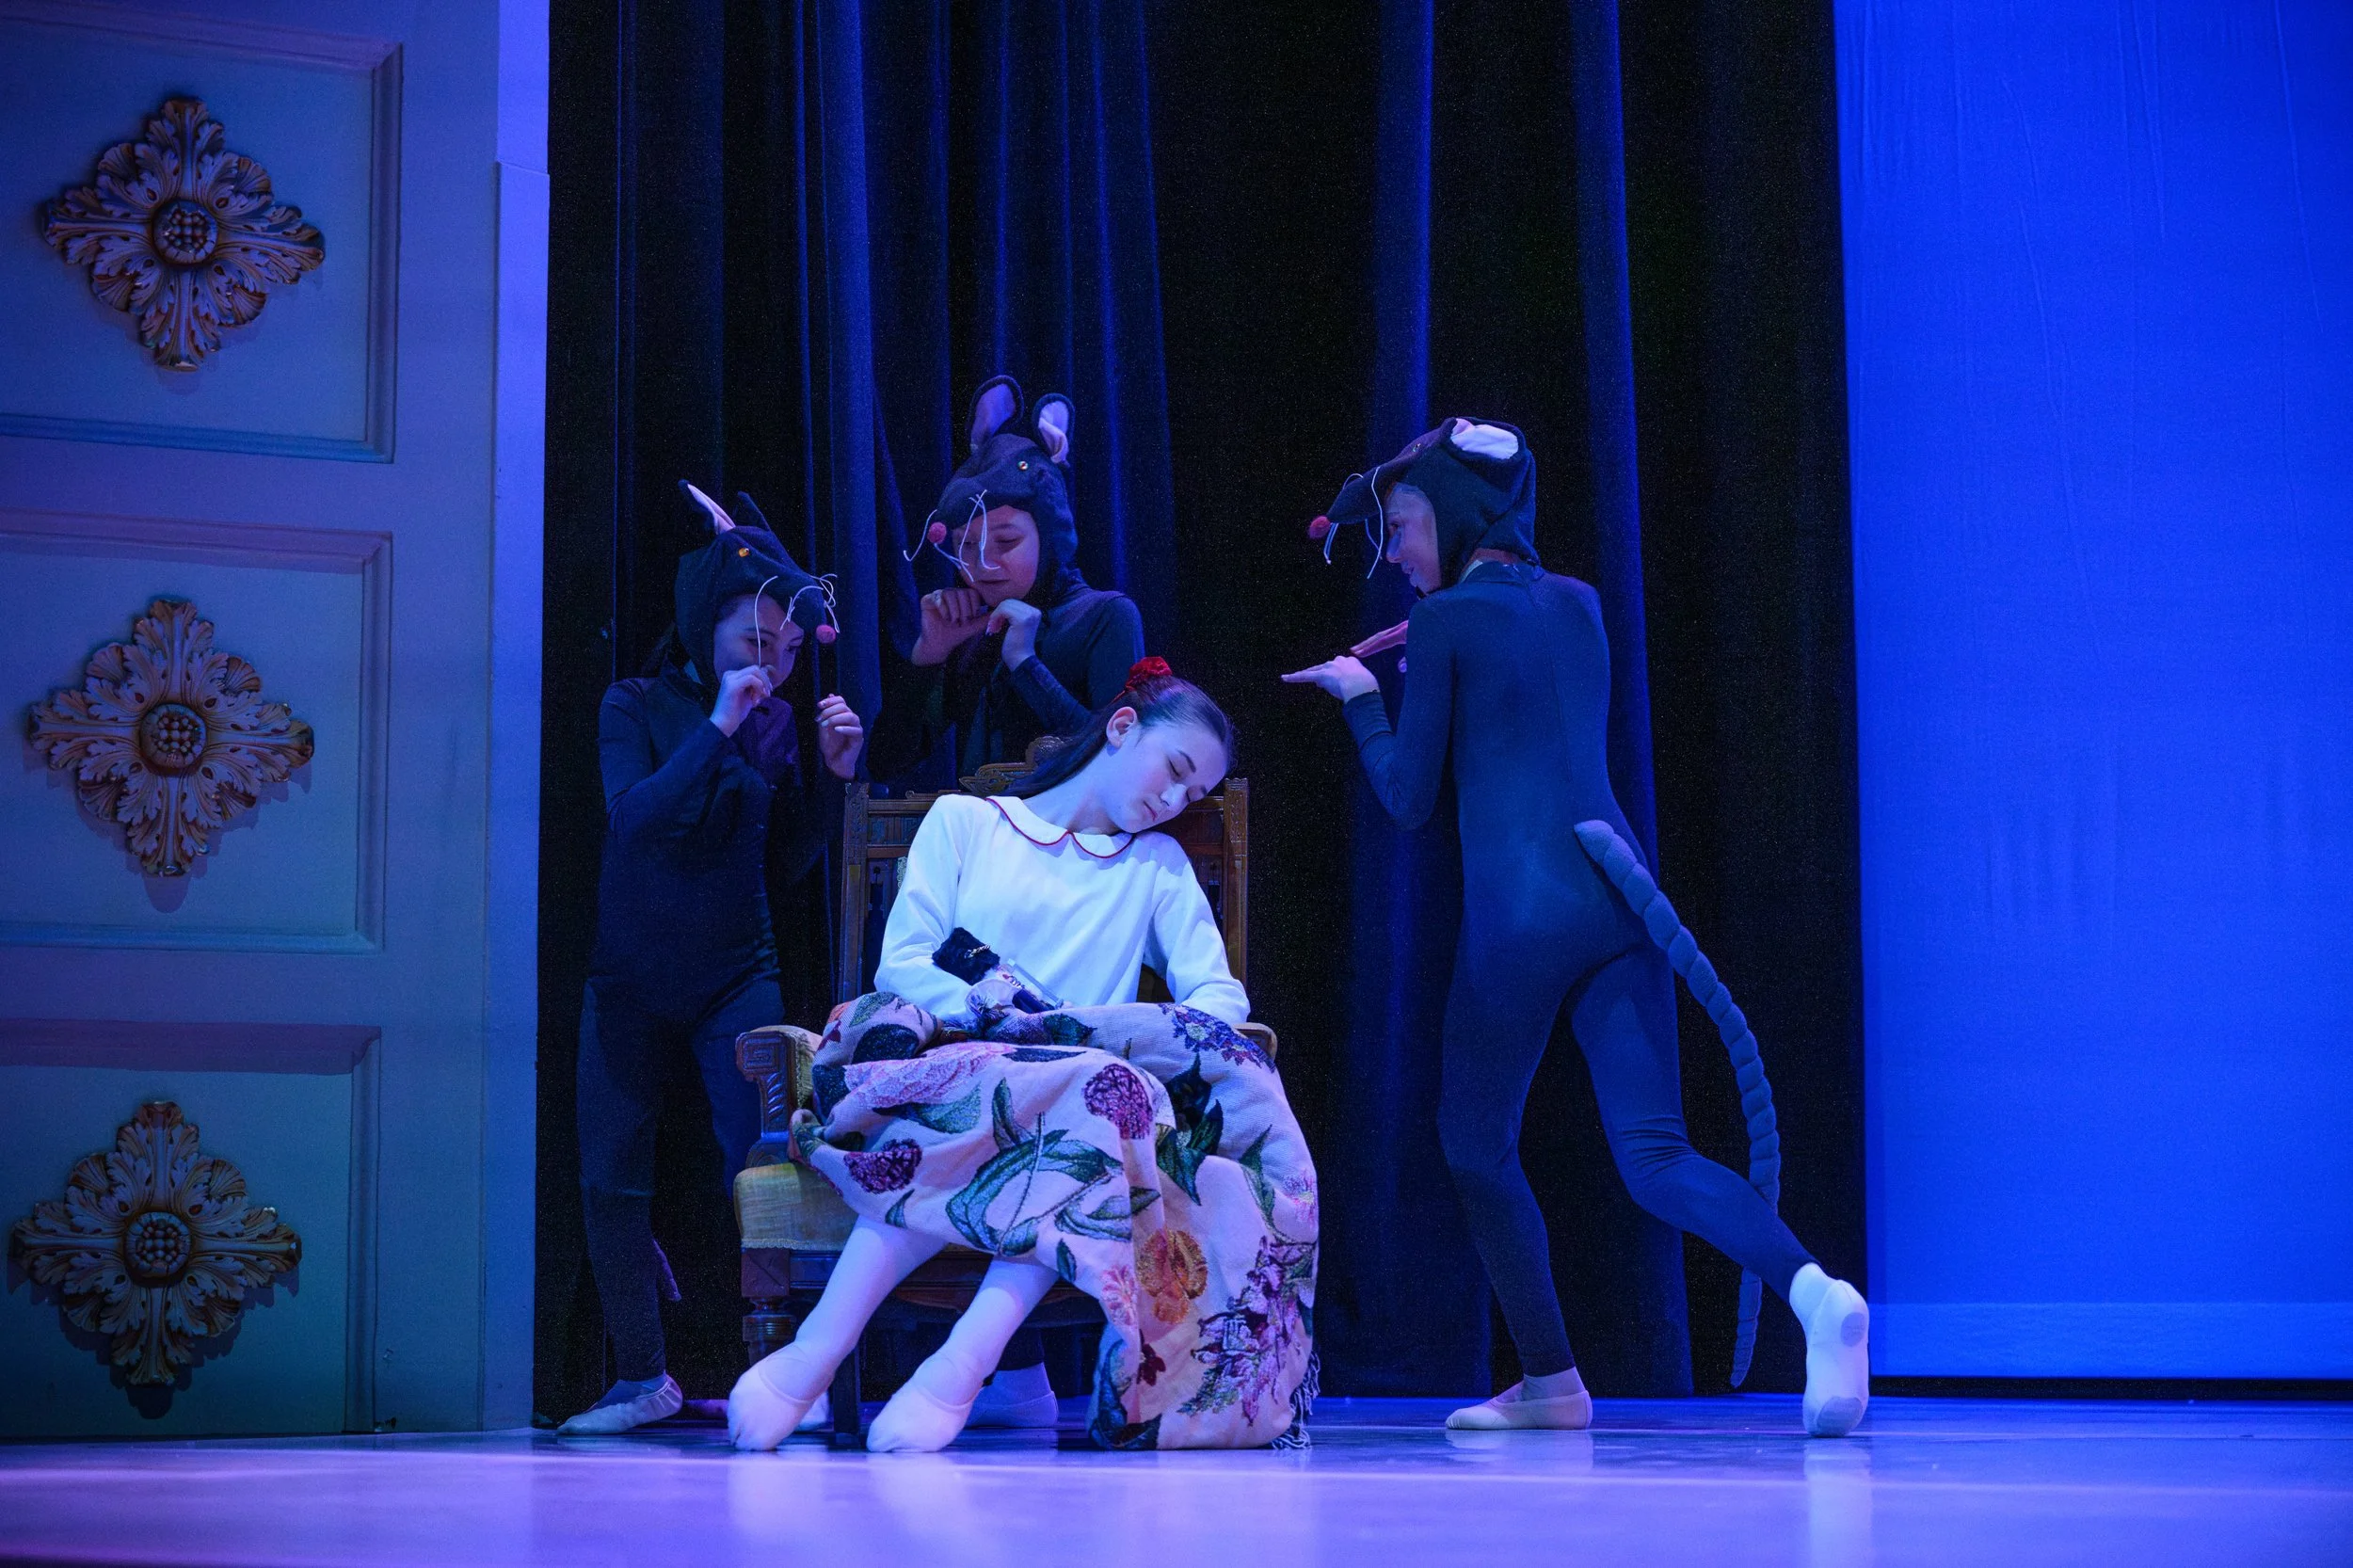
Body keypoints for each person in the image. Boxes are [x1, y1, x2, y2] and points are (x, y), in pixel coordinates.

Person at [1283, 420, 1870, 1438]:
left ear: (1460, 517)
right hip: (1621, 891)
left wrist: (1359, 701)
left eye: (1411, 525)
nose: (1400, 553)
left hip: (1520, 918)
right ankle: (1817, 1295)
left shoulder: (1445, 623)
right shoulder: (1580, 605)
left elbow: (1410, 800)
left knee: (1473, 1144)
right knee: (1656, 1155)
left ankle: (1552, 1379)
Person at [726, 664, 1320, 1451]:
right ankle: (826, 1352)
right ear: (1121, 729)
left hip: (1077, 1089)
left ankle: (956, 1368)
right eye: (1175, 770)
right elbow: (904, 964)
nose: (1176, 802)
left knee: (1097, 1110)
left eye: (1193, 793)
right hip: (953, 1062)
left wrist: (1096, 1030)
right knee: (1048, 1113)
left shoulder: (1157, 870)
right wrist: (996, 1008)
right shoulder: (965, 822)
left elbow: (1218, 1004)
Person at [561, 488, 865, 1434]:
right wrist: (721, 727)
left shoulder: (775, 723)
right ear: (705, 630)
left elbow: (787, 862)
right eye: (750, 638)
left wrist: (831, 777)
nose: (767, 657)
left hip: (739, 968)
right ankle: (642, 1376)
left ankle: (783, 1377)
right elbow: (635, 820)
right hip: (630, 975)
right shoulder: (635, 703)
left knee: (768, 1161)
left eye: (780, 642)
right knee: (610, 1173)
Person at [868, 375, 1146, 786]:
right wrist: (929, 655)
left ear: (1049, 535)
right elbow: (885, 763)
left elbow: (1122, 766)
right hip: (982, 845)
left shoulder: (1105, 616)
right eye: (965, 547)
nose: (984, 564)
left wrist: (1025, 662)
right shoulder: (972, 632)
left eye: (1006, 540)